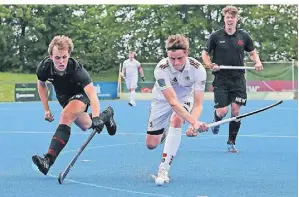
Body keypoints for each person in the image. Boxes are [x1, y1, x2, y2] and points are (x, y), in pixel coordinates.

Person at [32, 35, 117, 175]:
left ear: (69, 54)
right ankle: (107, 115)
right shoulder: (44, 67)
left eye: (64, 57)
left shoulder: (77, 70)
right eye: (57, 57)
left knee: (66, 116)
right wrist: (46, 109)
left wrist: (96, 115)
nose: (61, 61)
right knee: (85, 125)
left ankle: (48, 160)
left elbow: (92, 94)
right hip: (64, 99)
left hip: (80, 96)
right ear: (50, 56)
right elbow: (41, 85)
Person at [145, 34, 208, 183]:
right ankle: (164, 133)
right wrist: (194, 121)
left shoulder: (198, 70)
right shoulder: (161, 69)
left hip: (185, 98)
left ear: (186, 53)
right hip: (162, 100)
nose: (175, 62)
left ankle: (163, 169)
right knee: (151, 144)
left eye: (179, 58)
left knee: (177, 119)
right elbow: (172, 101)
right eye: (172, 58)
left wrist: (194, 122)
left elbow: (198, 104)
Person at [202, 5, 263, 153]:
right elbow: (205, 53)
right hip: (221, 79)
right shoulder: (215, 36)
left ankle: (231, 142)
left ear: (237, 19)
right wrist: (210, 65)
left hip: (238, 79)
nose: (230, 20)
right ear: (224, 19)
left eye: (232, 17)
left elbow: (252, 52)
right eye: (227, 17)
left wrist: (257, 61)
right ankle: (217, 120)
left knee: (235, 111)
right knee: (222, 112)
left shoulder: (244, 36)